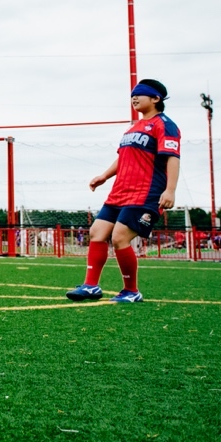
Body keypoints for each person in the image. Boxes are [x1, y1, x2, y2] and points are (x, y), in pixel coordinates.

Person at [67, 80, 180, 304]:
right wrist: (104, 176)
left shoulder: (165, 125)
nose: (134, 99)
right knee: (96, 232)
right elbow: (123, 157)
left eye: (140, 95)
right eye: (132, 96)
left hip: (146, 193)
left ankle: (131, 290)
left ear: (156, 99)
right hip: (120, 192)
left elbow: (173, 157)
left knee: (120, 237)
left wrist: (170, 190)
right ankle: (91, 286)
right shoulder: (133, 127)